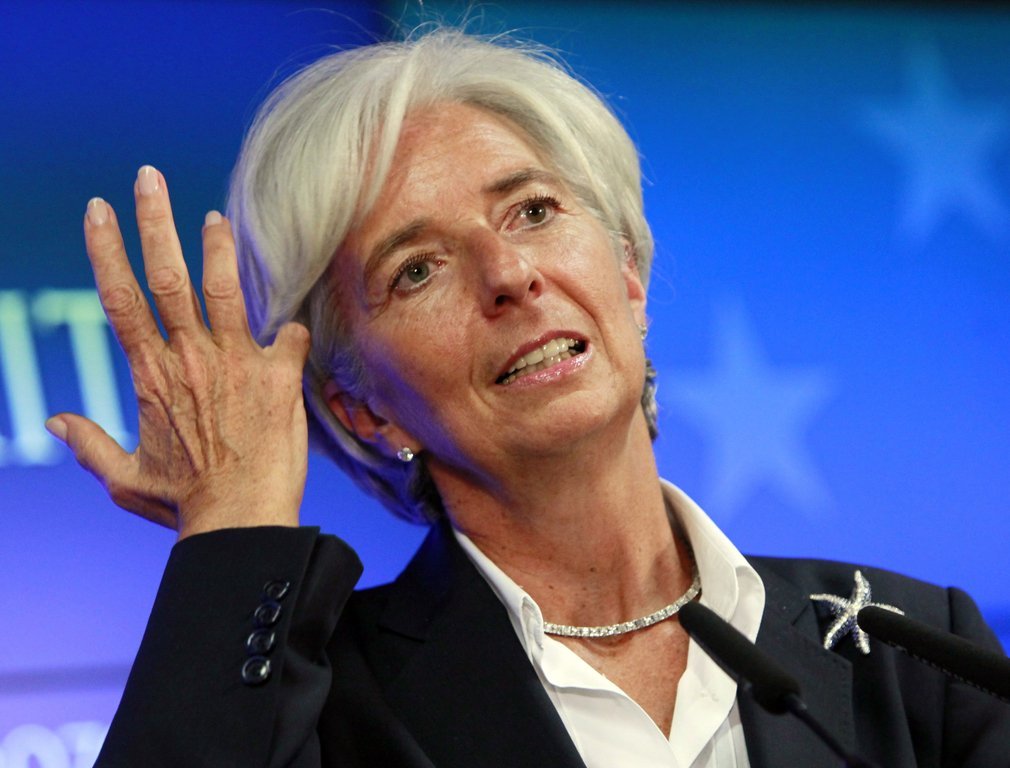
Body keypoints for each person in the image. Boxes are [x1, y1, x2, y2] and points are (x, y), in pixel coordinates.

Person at [48, 29, 1008, 768]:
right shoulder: (325, 709)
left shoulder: (911, 651)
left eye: (534, 210)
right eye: (417, 268)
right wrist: (234, 528)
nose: (509, 274)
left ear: (628, 272)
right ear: (362, 412)